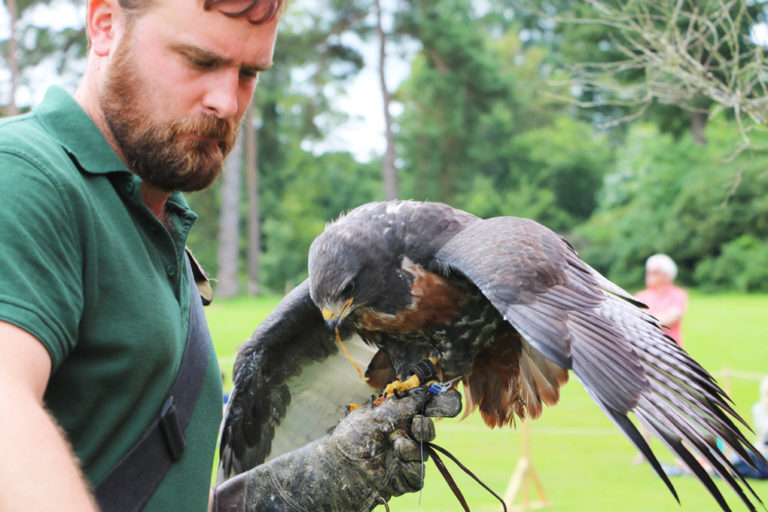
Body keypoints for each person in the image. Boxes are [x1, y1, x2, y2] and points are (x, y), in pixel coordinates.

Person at [0, 0, 455, 510]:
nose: (226, 101)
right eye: (199, 61)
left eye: (248, 73)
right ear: (105, 26)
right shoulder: (22, 177)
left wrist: (299, 491)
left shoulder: (155, 219)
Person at [636, 254, 688, 347]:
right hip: (645, 349)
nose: (649, 275)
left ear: (666, 275)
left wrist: (644, 318)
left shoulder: (678, 295)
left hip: (671, 351)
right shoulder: (641, 296)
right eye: (648, 271)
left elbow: (670, 319)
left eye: (654, 272)